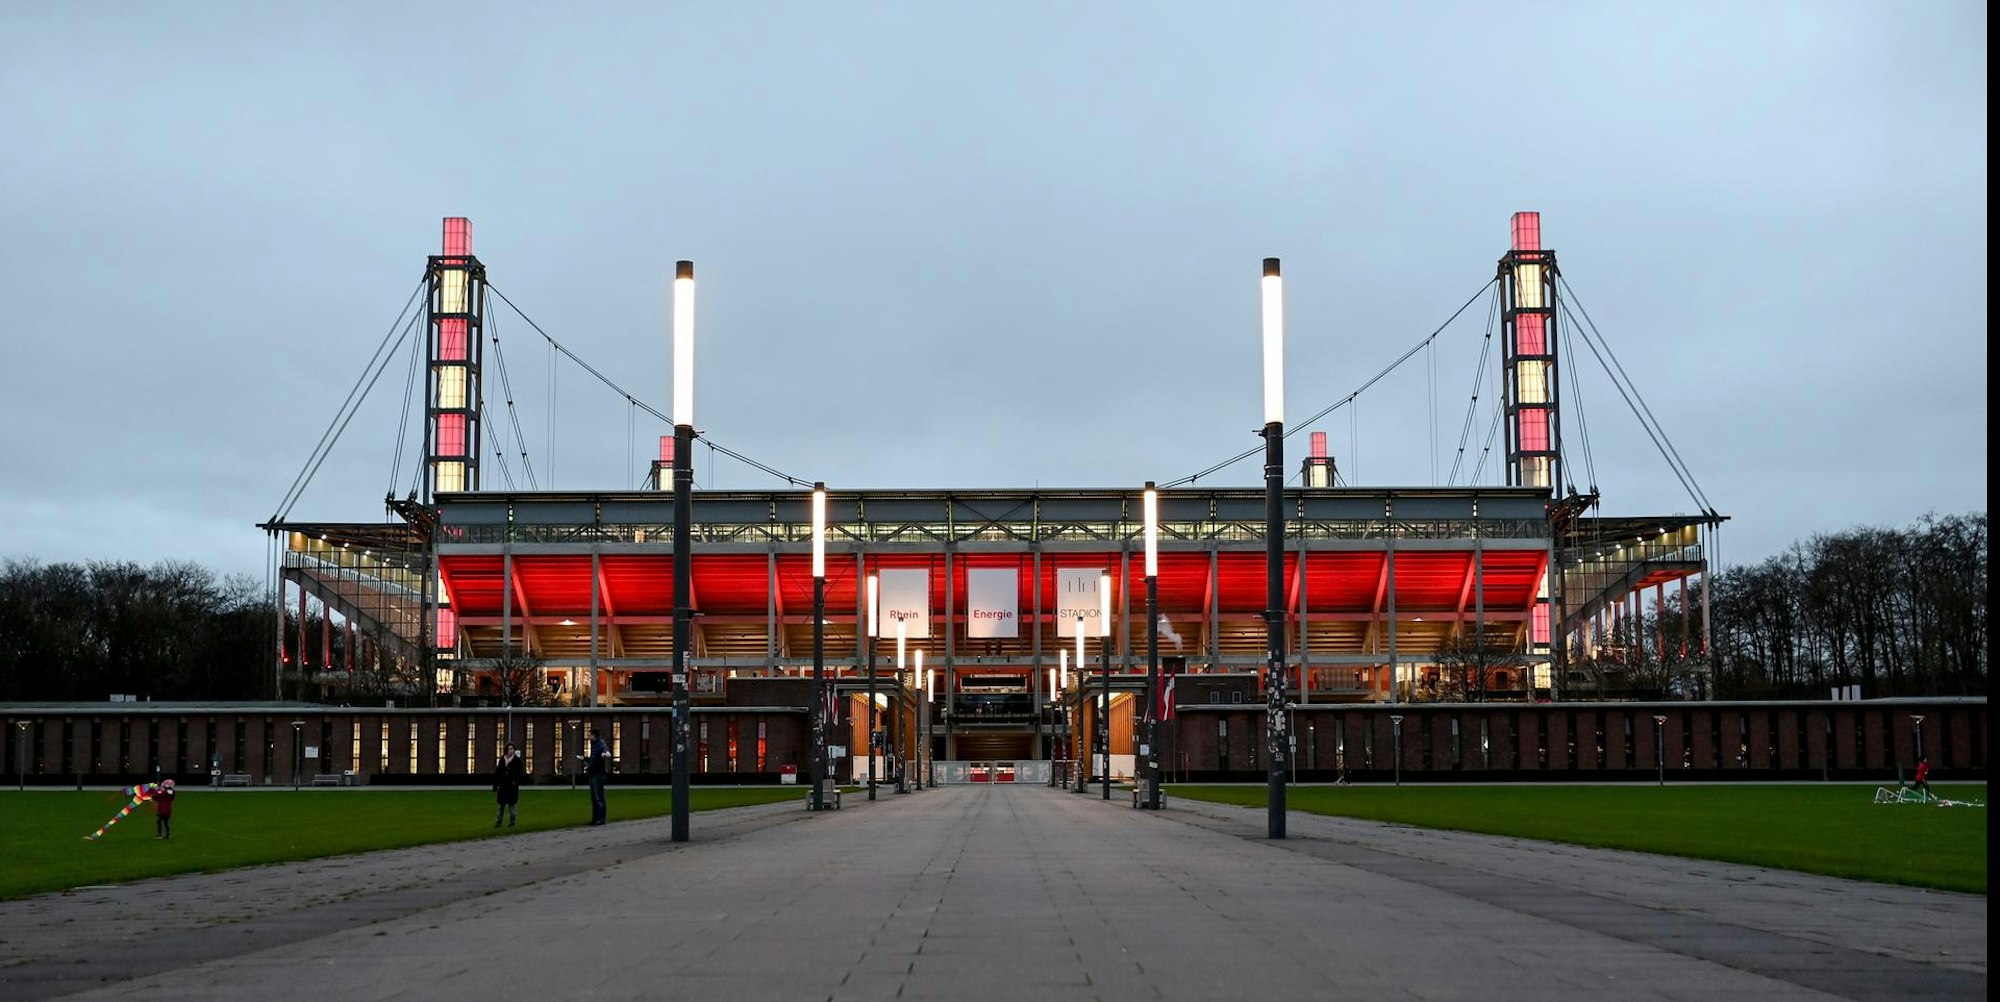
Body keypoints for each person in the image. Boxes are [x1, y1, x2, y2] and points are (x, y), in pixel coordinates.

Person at [580, 728, 610, 825]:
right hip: (592, 774)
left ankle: (601, 819)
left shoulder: (600, 743)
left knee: (599, 797)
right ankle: (595, 819)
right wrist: (585, 759)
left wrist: (605, 753)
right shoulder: (594, 745)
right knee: (594, 798)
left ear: (594, 735)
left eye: (590, 735)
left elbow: (605, 750)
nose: (589, 737)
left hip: (598, 774)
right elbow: (594, 759)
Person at [493, 742, 526, 827]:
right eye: (509, 749)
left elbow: (520, 773)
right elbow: (498, 773)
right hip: (503, 786)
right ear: (506, 750)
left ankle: (512, 822)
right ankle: (498, 822)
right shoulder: (502, 760)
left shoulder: (517, 761)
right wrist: (495, 785)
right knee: (501, 807)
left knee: (512, 806)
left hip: (512, 787)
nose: (511, 751)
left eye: (512, 749)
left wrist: (515, 781)